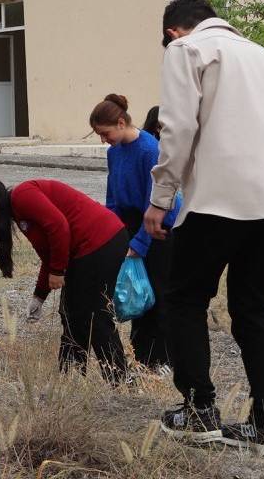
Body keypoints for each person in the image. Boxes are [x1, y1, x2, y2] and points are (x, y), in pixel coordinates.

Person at [145, 0, 264, 458]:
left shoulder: (187, 49)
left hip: (218, 198)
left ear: (173, 31)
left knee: (185, 299)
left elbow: (177, 128)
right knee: (254, 311)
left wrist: (160, 198)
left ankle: (198, 410)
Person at [0, 179, 129, 381]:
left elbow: (59, 226)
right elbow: (49, 254)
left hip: (101, 241)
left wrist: (58, 270)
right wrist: (39, 296)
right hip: (86, 249)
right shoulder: (18, 213)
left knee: (94, 316)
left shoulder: (22, 196)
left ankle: (121, 381)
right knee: (70, 313)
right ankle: (70, 377)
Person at [88, 94, 179, 371]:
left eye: (105, 133)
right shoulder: (114, 153)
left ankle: (162, 360)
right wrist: (110, 230)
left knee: (159, 294)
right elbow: (113, 198)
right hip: (129, 226)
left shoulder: (150, 150)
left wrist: (139, 244)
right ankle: (142, 358)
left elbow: (157, 204)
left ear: (121, 122)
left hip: (158, 228)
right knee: (137, 292)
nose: (103, 140)